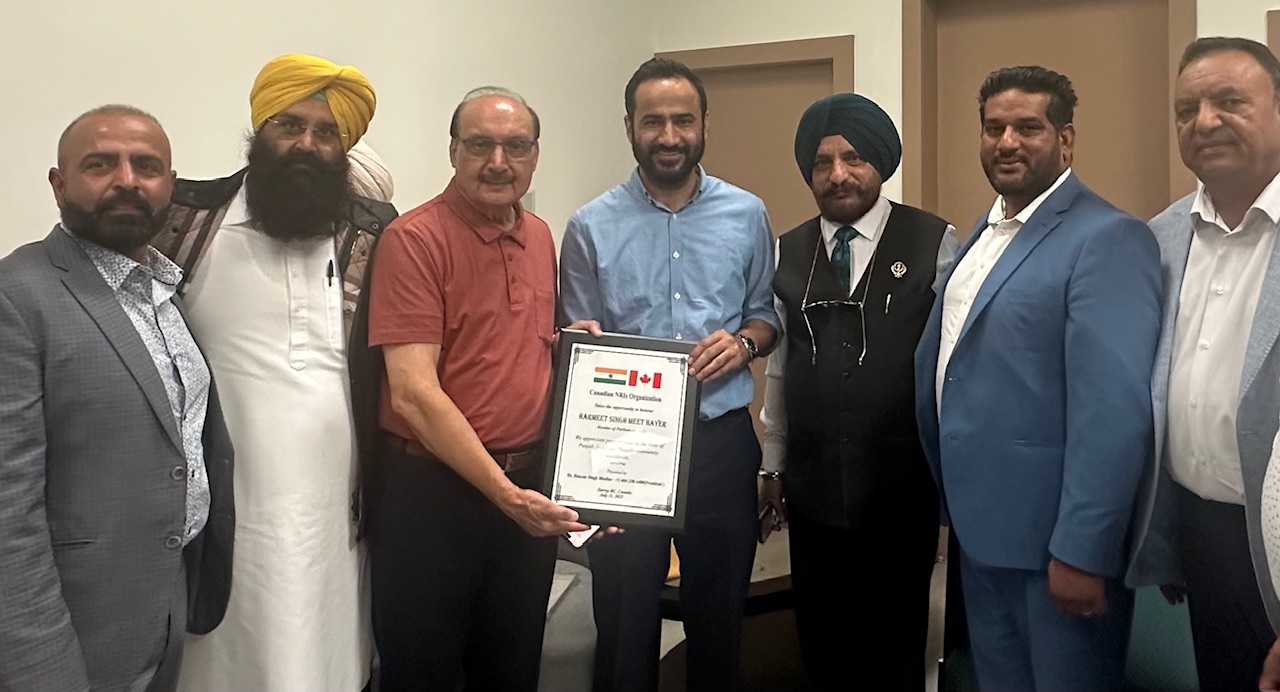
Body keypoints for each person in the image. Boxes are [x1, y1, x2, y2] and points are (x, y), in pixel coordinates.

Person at [151, 54, 396, 692]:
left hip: (333, 504)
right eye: (290, 125)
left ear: (345, 148)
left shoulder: (375, 236)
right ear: (260, 130)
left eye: (326, 132)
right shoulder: (184, 220)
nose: (306, 144)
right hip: (222, 501)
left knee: (325, 652)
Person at [914, 65, 1162, 691]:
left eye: (1028, 127)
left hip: (1054, 549)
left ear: (1065, 139)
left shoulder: (1107, 238)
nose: (1007, 142)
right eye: (993, 128)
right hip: (981, 535)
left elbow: (1114, 415)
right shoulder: (984, 231)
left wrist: (1082, 549)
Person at [560, 57, 780, 692]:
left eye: (683, 120)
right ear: (629, 127)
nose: (668, 135)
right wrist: (578, 342)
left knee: (720, 620)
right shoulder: (589, 226)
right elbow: (576, 340)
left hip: (720, 443)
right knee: (623, 624)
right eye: (652, 121)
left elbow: (765, 316)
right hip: (624, 448)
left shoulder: (747, 213)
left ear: (705, 123)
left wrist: (744, 343)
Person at [0, 104, 234, 692]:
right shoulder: (17, 297)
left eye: (146, 167)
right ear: (59, 185)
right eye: (100, 164)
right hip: (75, 629)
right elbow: (7, 515)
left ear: (170, 186)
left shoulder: (166, 293)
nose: (127, 180)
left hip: (164, 606)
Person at [367, 86, 590, 691]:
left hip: (524, 486)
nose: (498, 162)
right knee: (425, 672)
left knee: (512, 668)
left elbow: (504, 344)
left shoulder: (539, 235)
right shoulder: (414, 240)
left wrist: (570, 347)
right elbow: (413, 393)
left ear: (535, 155)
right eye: (480, 145)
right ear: (453, 151)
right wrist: (507, 496)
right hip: (433, 496)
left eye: (515, 146)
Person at [758, 92, 956, 689]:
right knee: (823, 647)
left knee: (894, 649)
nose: (838, 174)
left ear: (881, 163)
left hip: (902, 488)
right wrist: (773, 463)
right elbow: (780, 368)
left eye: (853, 158)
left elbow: (952, 370)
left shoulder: (933, 241)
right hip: (814, 488)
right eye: (822, 162)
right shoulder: (788, 250)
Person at [1127, 37, 1280, 691]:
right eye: (1186, 110)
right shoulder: (1159, 238)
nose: (1205, 121)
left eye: (1230, 102)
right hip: (1200, 535)